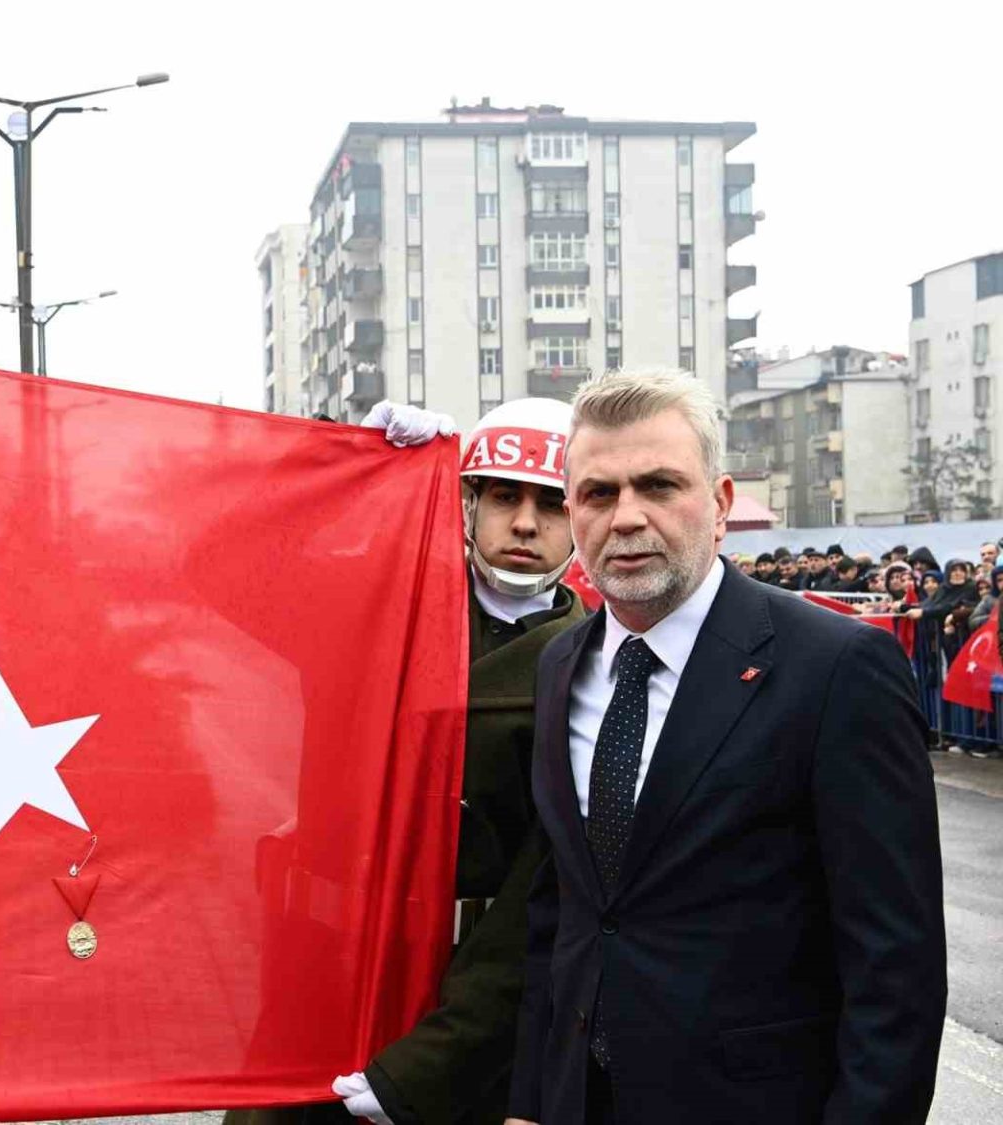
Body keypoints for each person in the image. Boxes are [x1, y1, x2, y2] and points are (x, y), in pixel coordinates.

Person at [505, 370, 945, 1125]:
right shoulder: (559, 666)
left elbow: (895, 967)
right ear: (573, 511)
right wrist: (531, 1101)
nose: (627, 517)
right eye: (599, 493)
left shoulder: (836, 669)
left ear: (720, 503)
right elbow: (562, 916)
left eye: (659, 485)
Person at [230, 398, 587, 1125]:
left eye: (552, 504)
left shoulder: (596, 668)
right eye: (504, 496)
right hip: (329, 975)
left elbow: (538, 903)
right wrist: (347, 467)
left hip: (467, 1002)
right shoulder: (373, 607)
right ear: (468, 503)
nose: (525, 524)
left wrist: (431, 1067)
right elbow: (219, 563)